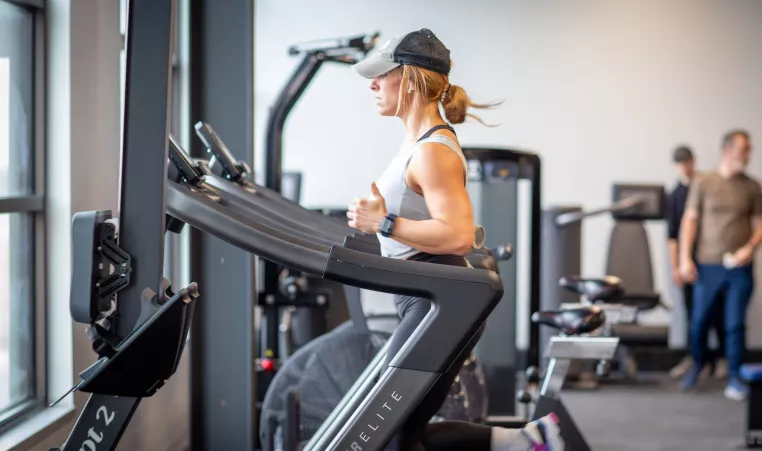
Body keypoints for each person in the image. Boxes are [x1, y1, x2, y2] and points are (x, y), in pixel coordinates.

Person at [347, 28, 564, 451]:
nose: (372, 84)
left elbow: (459, 234)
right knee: (403, 429)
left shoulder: (433, 151)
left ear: (408, 78)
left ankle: (535, 441)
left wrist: (384, 223)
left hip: (439, 298)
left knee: (390, 430)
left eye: (381, 74)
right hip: (425, 296)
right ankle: (534, 440)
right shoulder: (417, 143)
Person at [679, 130, 762, 401]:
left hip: (740, 267)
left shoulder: (752, 187)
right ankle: (699, 364)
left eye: (749, 150)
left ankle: (735, 377)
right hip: (707, 265)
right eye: (743, 149)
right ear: (727, 150)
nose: (748, 155)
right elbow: (689, 221)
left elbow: (760, 224)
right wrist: (684, 258)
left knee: (734, 324)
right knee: (699, 321)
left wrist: (749, 248)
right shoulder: (704, 183)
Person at [666, 146, 727, 380]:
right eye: (680, 163)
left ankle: (721, 359)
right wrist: (677, 265)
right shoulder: (675, 195)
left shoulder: (707, 186)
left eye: (687, 162)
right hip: (687, 261)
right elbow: (673, 235)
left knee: (719, 311)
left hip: (711, 259)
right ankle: (696, 359)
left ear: (694, 161)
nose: (684, 167)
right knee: (693, 314)